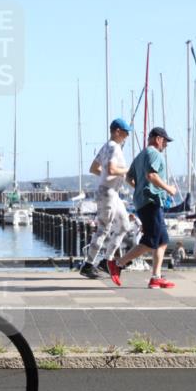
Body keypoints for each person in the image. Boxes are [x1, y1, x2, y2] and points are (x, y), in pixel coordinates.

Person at [107, 127, 178, 288]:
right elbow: (151, 175)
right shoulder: (154, 154)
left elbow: (129, 177)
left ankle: (156, 277)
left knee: (162, 240)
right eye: (165, 141)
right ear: (158, 138)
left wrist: (139, 188)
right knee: (150, 241)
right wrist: (169, 189)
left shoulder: (140, 156)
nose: (165, 145)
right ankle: (117, 264)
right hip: (151, 202)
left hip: (143, 202)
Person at [80, 118, 132, 279]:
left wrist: (107, 175)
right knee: (103, 229)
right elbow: (110, 169)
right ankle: (88, 265)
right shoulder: (113, 147)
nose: (127, 136)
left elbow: (94, 168)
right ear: (117, 131)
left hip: (112, 192)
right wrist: (128, 170)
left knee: (124, 226)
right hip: (107, 193)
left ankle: (106, 261)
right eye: (125, 132)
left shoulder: (107, 146)